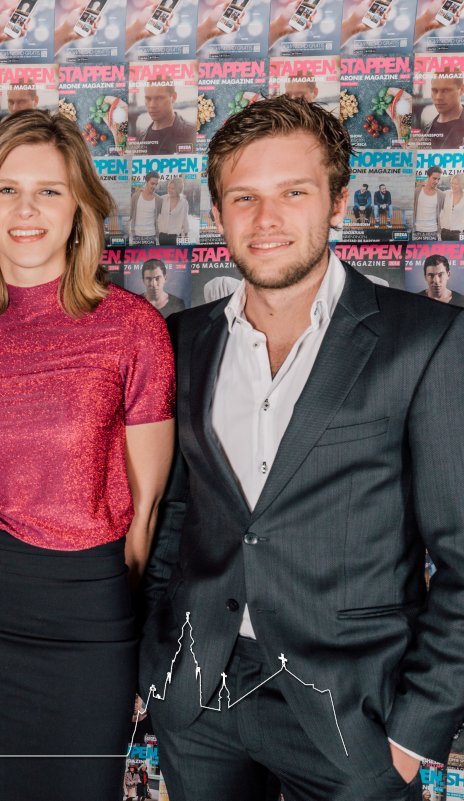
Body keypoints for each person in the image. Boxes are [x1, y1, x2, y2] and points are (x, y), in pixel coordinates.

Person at [140, 94, 464, 801]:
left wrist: (414, 733)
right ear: (218, 212)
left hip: (354, 716)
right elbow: (175, 517)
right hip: (198, 700)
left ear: (337, 201)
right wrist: (155, 661)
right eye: (244, 197)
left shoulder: (425, 341)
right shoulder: (181, 340)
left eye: (293, 192)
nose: (267, 219)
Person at [0, 109, 175, 798]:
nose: (25, 209)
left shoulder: (132, 328)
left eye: (49, 191)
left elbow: (147, 506)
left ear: (79, 209)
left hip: (84, 611)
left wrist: (99, 600)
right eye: (7, 189)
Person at [141, 80, 196, 154]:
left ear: (173, 97)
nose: (152, 105)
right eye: (148, 98)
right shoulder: (141, 137)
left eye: (159, 98)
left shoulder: (192, 132)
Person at [426, 72, 464, 149]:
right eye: (435, 91)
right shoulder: (426, 129)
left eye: (446, 90)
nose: (438, 97)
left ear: (462, 90)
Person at [413, 166, 445, 239]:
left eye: (438, 179)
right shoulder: (417, 191)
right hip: (417, 230)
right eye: (434, 178)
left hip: (433, 231)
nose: (436, 181)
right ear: (428, 176)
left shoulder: (441, 195)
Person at [157, 176, 190, 244]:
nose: (170, 190)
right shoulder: (162, 199)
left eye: (173, 188)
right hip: (162, 236)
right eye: (169, 187)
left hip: (176, 236)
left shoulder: (184, 202)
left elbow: (185, 219)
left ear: (178, 189)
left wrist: (186, 235)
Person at [131, 171, 162, 242]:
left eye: (156, 184)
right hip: (136, 235)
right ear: (146, 182)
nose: (154, 186)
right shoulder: (135, 196)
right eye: (152, 183)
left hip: (151, 235)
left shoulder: (159, 199)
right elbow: (131, 214)